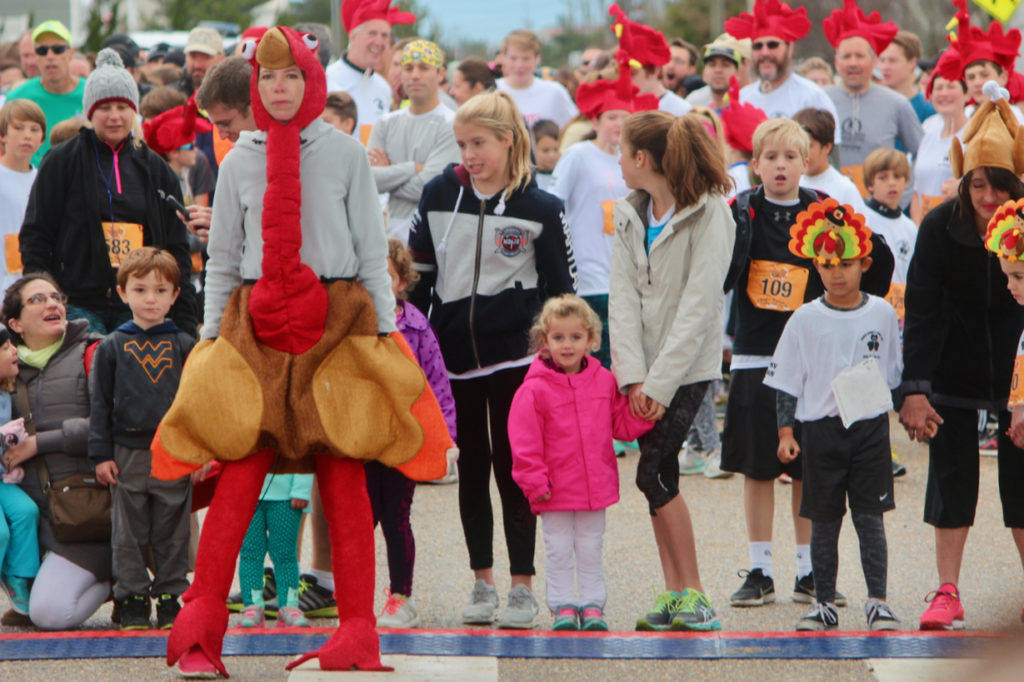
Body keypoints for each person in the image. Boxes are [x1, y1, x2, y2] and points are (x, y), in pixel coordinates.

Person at [157, 26, 449, 677]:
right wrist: (210, 341)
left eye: (291, 75)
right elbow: (225, 259)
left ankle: (354, 634)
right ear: (256, 86)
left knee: (345, 475)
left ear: (311, 81)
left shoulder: (345, 152)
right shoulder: (238, 160)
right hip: (256, 327)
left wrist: (383, 330)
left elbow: (371, 250)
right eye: (269, 77)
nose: (280, 87)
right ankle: (202, 628)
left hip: (338, 324)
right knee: (239, 469)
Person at [408, 90, 576, 630]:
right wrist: (413, 345)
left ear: (509, 140)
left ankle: (522, 587)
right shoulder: (438, 193)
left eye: (479, 143)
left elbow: (560, 289)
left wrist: (553, 355)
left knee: (514, 468)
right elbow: (418, 280)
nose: (469, 155)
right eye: (461, 144)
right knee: (472, 469)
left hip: (515, 360)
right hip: (452, 358)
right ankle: (482, 583)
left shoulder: (540, 206)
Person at [721, 117, 894, 610]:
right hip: (756, 351)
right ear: (754, 164)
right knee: (758, 468)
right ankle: (759, 569)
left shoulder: (824, 210)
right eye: (770, 157)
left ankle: (808, 570)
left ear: (808, 163)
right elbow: (721, 274)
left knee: (809, 473)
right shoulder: (742, 210)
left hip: (818, 358)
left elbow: (873, 263)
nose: (780, 166)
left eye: (790, 157)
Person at [899, 84, 1024, 631]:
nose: (988, 198)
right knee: (951, 476)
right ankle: (947, 589)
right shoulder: (938, 225)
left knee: (1021, 478)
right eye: (978, 184)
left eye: (999, 185)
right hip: (953, 357)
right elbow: (921, 309)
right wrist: (915, 387)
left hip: (1019, 362)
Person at [609, 112, 733, 631]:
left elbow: (699, 308)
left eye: (621, 151)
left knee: (651, 472)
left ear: (642, 160)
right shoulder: (629, 211)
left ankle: (697, 595)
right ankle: (674, 594)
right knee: (655, 476)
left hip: (687, 370)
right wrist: (633, 378)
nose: (616, 159)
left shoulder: (711, 215)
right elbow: (621, 299)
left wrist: (660, 384)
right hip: (644, 375)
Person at [766, 199, 902, 631]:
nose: (836, 272)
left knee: (869, 518)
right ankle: (823, 601)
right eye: (826, 264)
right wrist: (786, 431)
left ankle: (877, 600)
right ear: (815, 265)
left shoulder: (882, 313)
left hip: (870, 430)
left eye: (845, 262)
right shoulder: (804, 318)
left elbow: (894, 372)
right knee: (823, 520)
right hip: (821, 431)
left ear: (864, 262)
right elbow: (787, 379)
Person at [18, 49, 197, 336]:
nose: (114, 116)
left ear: (133, 111)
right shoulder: (62, 161)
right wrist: (44, 297)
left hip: (141, 304)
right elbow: (36, 236)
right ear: (90, 112)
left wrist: (185, 317)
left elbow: (176, 247)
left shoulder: (155, 169)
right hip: (77, 302)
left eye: (122, 107)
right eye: (105, 107)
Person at [509, 294, 653, 631]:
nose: (567, 345)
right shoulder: (533, 390)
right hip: (553, 491)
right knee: (558, 549)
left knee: (590, 548)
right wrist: (534, 483)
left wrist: (648, 412)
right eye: (558, 338)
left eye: (576, 337)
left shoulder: (603, 381)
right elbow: (524, 443)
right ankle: (561, 606)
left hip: (593, 487)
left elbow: (621, 423)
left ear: (591, 340)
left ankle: (592, 605)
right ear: (544, 341)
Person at [88, 247, 196, 631]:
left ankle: (169, 596)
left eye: (161, 290)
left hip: (172, 452)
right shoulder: (112, 346)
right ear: (123, 293)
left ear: (175, 296)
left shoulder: (185, 345)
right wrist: (101, 455)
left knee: (173, 528)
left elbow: (194, 405)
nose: (151, 299)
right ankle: (131, 598)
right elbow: (98, 405)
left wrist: (196, 454)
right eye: (140, 289)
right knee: (128, 531)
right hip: (126, 452)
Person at [1, 275, 107, 629]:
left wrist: (39, 443)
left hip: (86, 520)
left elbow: (115, 428)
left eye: (56, 296)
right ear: (14, 324)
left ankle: (116, 581)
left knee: (49, 614)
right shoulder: (7, 369)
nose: (53, 304)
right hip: (35, 522)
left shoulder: (95, 352)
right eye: (38, 299)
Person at [371, 238, 458, 629]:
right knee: (358, 520)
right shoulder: (353, 324)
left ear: (402, 281)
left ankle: (400, 596)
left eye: (386, 276)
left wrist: (447, 438)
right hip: (363, 442)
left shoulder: (417, 326)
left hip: (404, 441)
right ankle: (354, 596)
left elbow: (438, 383)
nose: (377, 283)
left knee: (396, 518)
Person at [551, 73, 654, 368]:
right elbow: (553, 204)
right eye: (610, 117)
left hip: (628, 276)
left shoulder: (637, 160)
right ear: (595, 122)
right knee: (596, 359)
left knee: (625, 360)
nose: (618, 124)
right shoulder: (578, 155)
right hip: (588, 277)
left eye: (624, 117)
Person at [368, 40, 460, 242]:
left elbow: (430, 187)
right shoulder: (385, 123)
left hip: (434, 235)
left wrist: (389, 174)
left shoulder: (452, 124)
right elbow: (368, 179)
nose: (415, 75)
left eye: (424, 68)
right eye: (408, 68)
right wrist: (412, 168)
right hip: (389, 236)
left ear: (441, 74)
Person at [822, 1, 923, 182]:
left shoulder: (896, 103)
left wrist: (904, 192)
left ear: (874, 61)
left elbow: (922, 154)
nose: (853, 63)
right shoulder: (822, 100)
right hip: (828, 205)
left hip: (878, 207)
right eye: (846, 56)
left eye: (860, 56)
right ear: (837, 63)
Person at [726, 0, 839, 135]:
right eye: (758, 46)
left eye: (772, 45)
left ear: (789, 48)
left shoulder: (812, 97)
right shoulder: (743, 98)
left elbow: (830, 152)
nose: (765, 52)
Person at [326, 0, 415, 143]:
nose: (379, 42)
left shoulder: (383, 88)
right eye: (372, 33)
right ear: (352, 36)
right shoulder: (328, 79)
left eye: (384, 36)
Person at [237, 470, 312, 628]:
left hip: (286, 496)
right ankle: (252, 606)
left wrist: (301, 488)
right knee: (250, 552)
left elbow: (303, 449)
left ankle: (289, 605)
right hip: (246, 493)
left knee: (285, 554)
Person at [4, 21, 85, 165]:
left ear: (71, 53)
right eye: (42, 51)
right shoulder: (17, 97)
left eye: (58, 49)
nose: (50, 56)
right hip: (31, 181)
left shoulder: (90, 93)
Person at [0, 327, 38, 621]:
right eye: (5, 348)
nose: (14, 352)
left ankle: (19, 577)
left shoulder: (6, 395)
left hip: (3, 479)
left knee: (27, 511)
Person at [860, 147, 916, 325]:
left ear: (906, 182)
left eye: (897, 177)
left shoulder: (910, 227)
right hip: (868, 308)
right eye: (883, 177)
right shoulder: (862, 219)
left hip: (900, 314)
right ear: (870, 184)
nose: (891, 183)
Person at [608, 5, 691, 117]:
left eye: (633, 74)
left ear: (655, 70)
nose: (626, 81)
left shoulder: (681, 111)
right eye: (621, 74)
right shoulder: (619, 110)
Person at [912, 62, 968, 224]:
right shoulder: (928, 127)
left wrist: (962, 186)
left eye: (951, 87)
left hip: (958, 224)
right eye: (938, 88)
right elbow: (916, 189)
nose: (944, 93)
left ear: (966, 94)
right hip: (926, 226)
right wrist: (919, 228)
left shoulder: (975, 133)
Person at [0, 100, 45, 291]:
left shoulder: (43, 179)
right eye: (18, 128)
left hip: (31, 280)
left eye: (34, 130)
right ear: (3, 135)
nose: (27, 136)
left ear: (42, 138)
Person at [496, 29, 578, 129]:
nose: (519, 65)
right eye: (513, 58)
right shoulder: (493, 91)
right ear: (504, 58)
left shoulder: (555, 91)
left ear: (537, 58)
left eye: (526, 59)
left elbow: (573, 129)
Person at [792, 107, 865, 213]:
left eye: (809, 146)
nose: (801, 152)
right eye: (797, 145)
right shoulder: (789, 183)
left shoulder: (845, 189)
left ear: (827, 147)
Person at [879, 30, 936, 124]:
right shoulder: (874, 104)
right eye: (882, 60)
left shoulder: (929, 110)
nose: (885, 67)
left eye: (892, 61)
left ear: (912, 63)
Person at [687, 35, 750, 112]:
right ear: (703, 73)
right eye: (712, 65)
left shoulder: (749, 106)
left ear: (738, 72)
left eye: (725, 65)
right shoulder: (693, 103)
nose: (718, 70)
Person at [531, 119, 560, 192]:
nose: (552, 155)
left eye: (556, 149)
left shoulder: (564, 176)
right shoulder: (530, 182)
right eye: (545, 150)